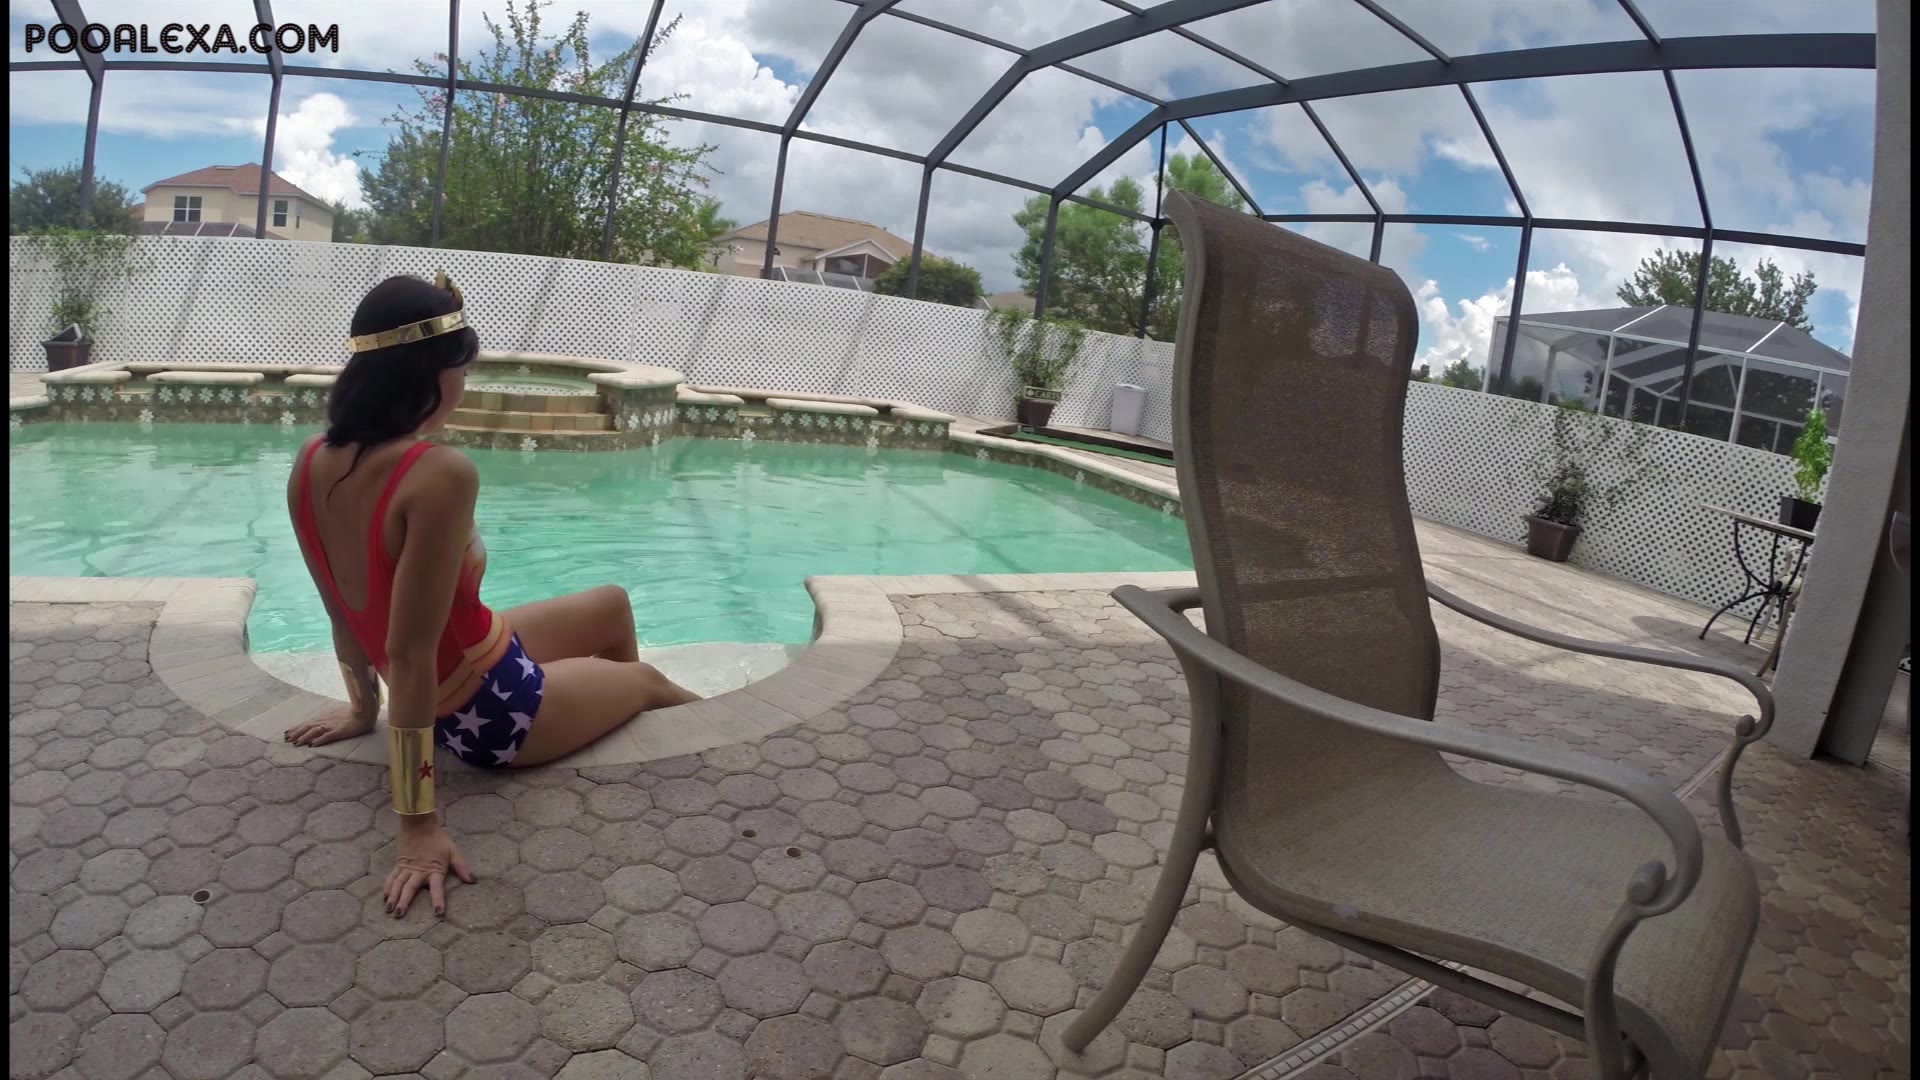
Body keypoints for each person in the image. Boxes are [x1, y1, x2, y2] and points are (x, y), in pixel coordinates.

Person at [281, 272, 702, 917]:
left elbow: (343, 611)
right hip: (492, 716)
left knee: (613, 603)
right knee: (646, 680)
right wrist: (417, 829)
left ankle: (622, 744)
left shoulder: (311, 460)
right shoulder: (438, 474)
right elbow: (411, 654)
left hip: (479, 660)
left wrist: (365, 710)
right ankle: (736, 750)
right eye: (464, 369)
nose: (465, 383)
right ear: (429, 375)